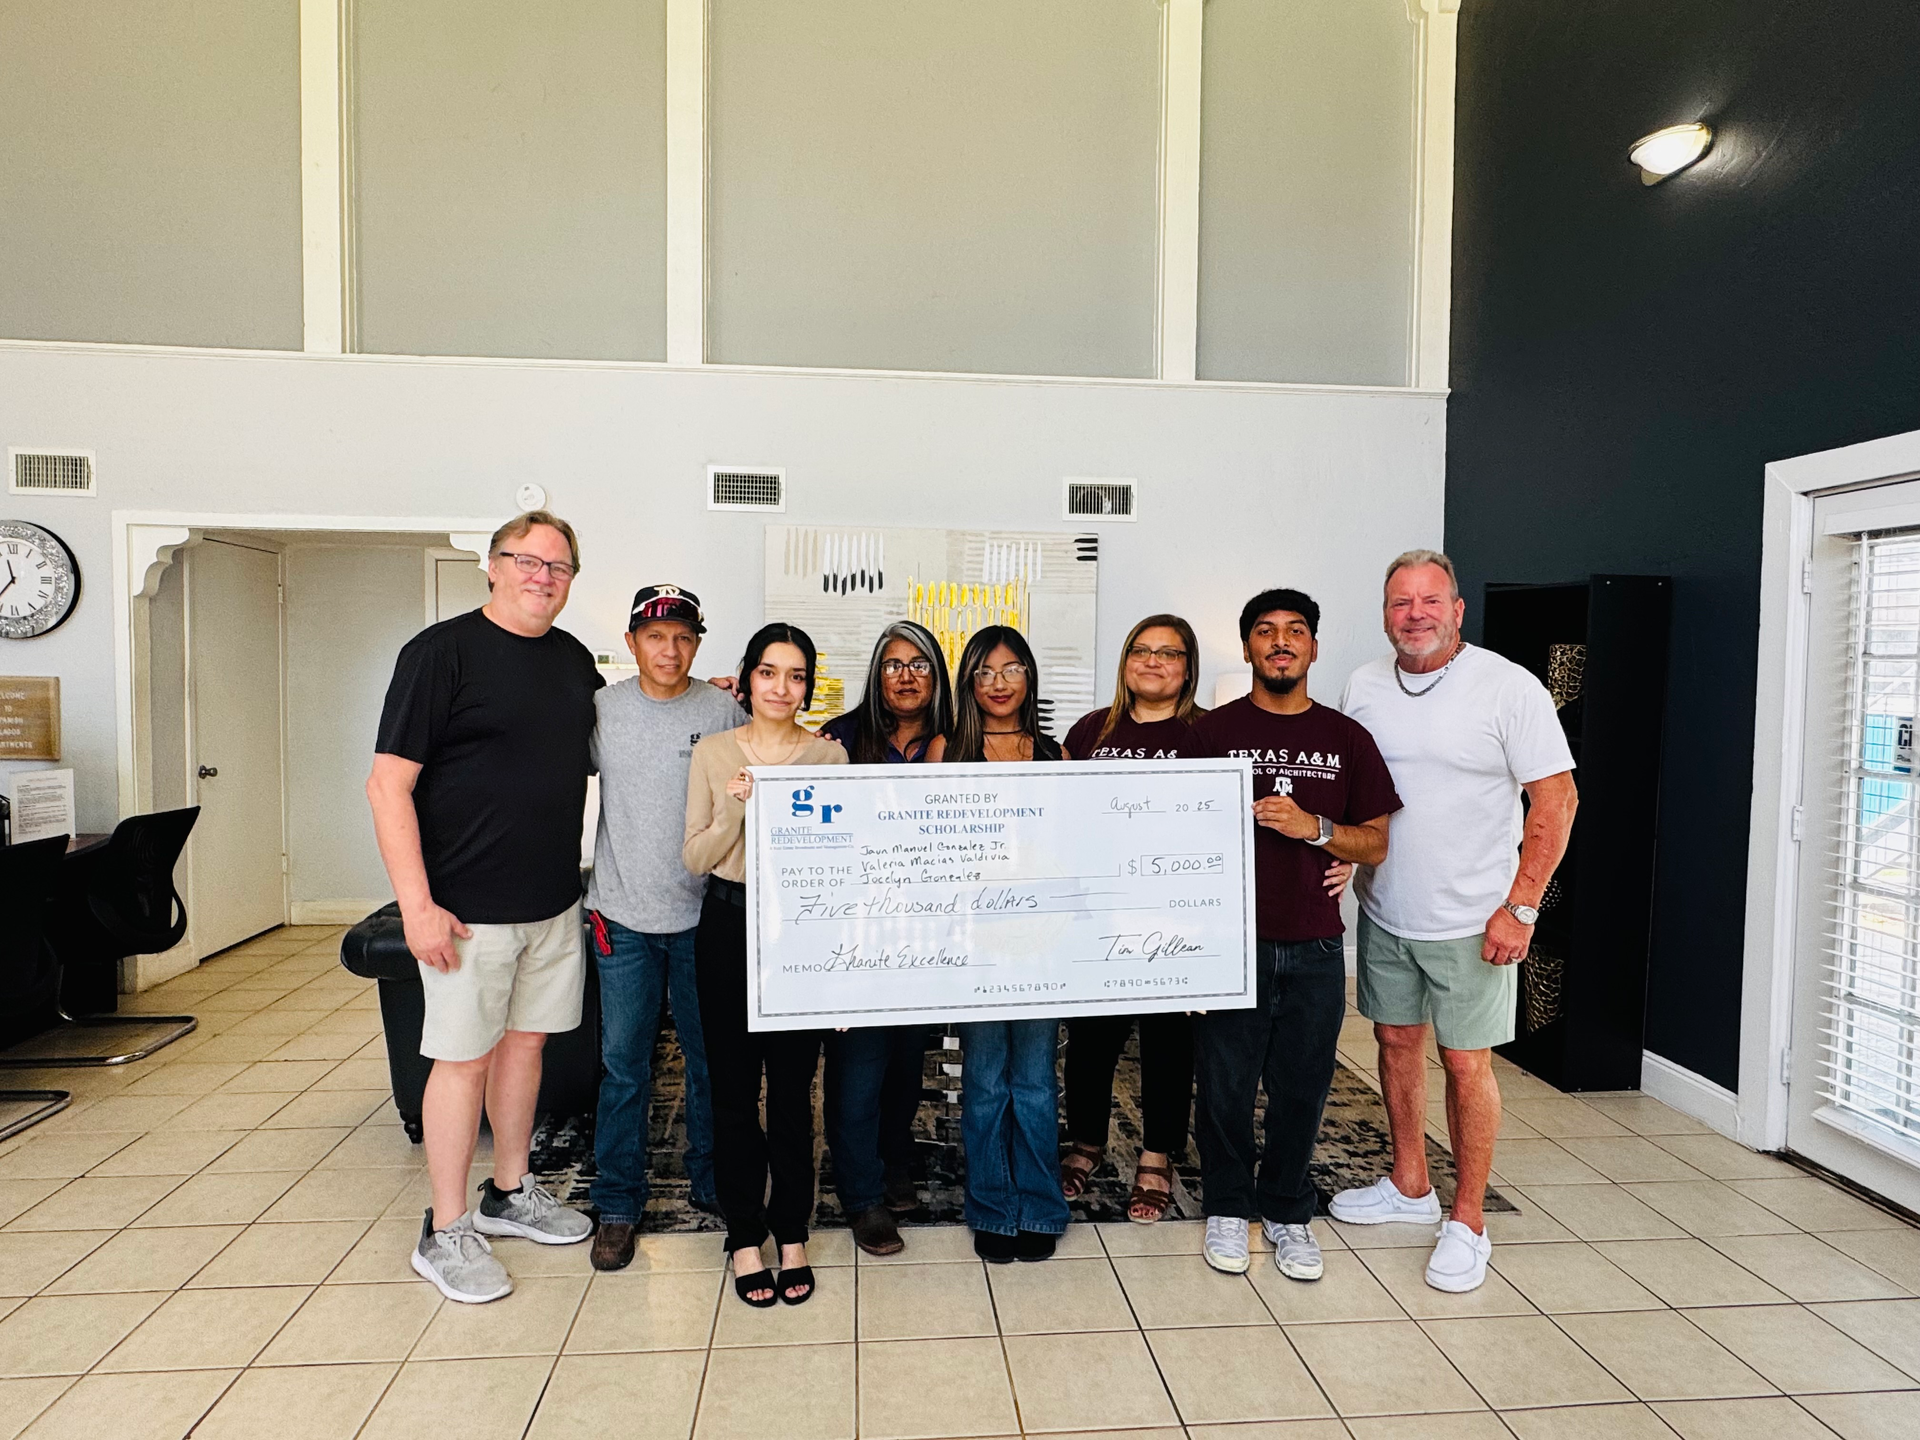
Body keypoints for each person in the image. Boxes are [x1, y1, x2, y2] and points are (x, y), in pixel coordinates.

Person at [368, 511, 598, 1304]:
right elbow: (386, 785)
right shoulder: (441, 654)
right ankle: (447, 1226)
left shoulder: (572, 662)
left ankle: (508, 1191)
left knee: (525, 1049)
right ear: (493, 567)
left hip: (552, 902)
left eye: (559, 567)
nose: (543, 576)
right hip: (466, 911)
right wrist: (417, 906)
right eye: (526, 561)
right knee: (460, 1061)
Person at [1333, 550, 1577, 1294]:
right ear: (1385, 613)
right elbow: (1359, 790)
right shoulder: (1365, 685)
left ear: (1457, 609)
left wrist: (1521, 906)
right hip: (1385, 910)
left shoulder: (1509, 688)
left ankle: (1467, 1220)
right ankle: (1411, 1185)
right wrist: (1345, 855)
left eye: (1430, 601)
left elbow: (1557, 802)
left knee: (1467, 1064)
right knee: (1395, 1044)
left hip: (1475, 921)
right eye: (1401, 602)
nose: (1415, 615)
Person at [1188, 589, 1400, 1281]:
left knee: (1303, 1089)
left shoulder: (1346, 738)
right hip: (1233, 945)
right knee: (1224, 1088)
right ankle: (1226, 1205)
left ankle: (1285, 1211)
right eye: (1265, 632)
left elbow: (1375, 843)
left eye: (1295, 631)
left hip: (1313, 946)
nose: (1281, 642)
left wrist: (1316, 829)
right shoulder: (1209, 734)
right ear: (1248, 647)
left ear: (1313, 647)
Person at [684, 624, 846, 1307]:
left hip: (798, 929)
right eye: (770, 673)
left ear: (809, 684)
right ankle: (743, 1232)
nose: (782, 688)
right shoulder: (713, 752)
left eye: (797, 675)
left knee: (790, 1090)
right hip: (726, 921)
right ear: (747, 678)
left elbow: (839, 864)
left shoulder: (829, 757)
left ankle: (791, 1230)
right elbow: (694, 857)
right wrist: (740, 810)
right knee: (731, 1088)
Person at [584, 585, 744, 1271]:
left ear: (698, 643)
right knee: (625, 1066)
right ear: (631, 644)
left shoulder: (722, 709)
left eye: (682, 636)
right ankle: (618, 1203)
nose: (669, 649)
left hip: (702, 915)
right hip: (621, 917)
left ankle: (712, 1182)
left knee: (711, 1063)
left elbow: (769, 760)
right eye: (655, 637)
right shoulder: (601, 710)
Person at [926, 625, 1069, 1262]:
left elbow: (1070, 850)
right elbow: (928, 852)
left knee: (1036, 1080)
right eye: (984, 672)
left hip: (1041, 941)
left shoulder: (1055, 754)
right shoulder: (945, 751)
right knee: (984, 1082)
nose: (999, 683)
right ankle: (991, 1204)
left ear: (1030, 678)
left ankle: (1039, 1204)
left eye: (1011, 670)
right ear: (968, 684)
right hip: (977, 942)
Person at [816, 621, 956, 1252]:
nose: (906, 675)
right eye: (893, 664)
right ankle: (862, 1194)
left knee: (906, 1059)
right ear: (876, 674)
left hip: (928, 930)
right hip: (858, 930)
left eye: (920, 664)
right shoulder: (839, 739)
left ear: (938, 677)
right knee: (858, 1063)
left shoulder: (956, 742)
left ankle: (893, 1156)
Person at [1057, 614, 1202, 1223]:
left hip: (1176, 918)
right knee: (1091, 1040)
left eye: (1168, 653)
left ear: (1187, 667)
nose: (1152, 662)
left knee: (1170, 1041)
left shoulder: (1210, 733)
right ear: (1125, 662)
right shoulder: (1091, 729)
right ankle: (1086, 1143)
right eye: (1141, 650)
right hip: (1098, 915)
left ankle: (1156, 1156)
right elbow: (1058, 814)